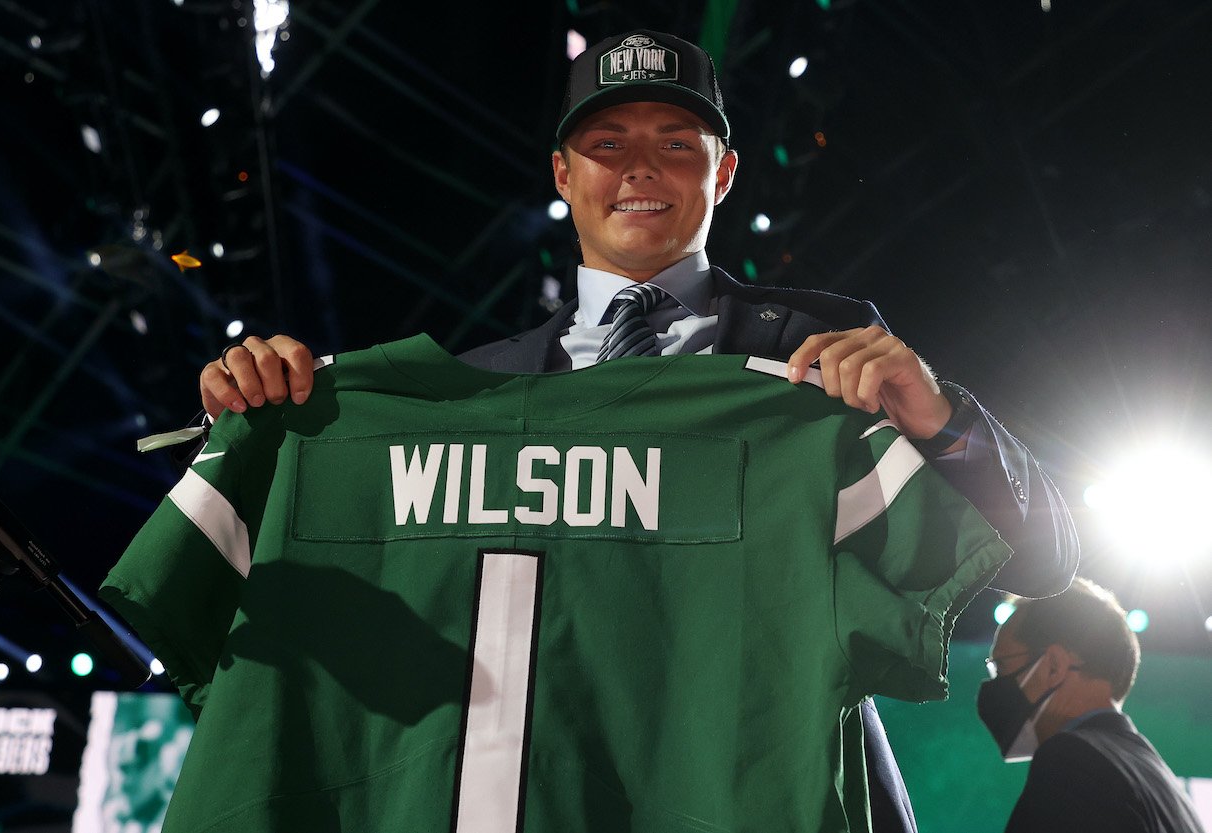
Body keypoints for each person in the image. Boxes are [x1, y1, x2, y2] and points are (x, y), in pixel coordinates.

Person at [190, 29, 1079, 832]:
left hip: (752, 793)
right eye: (607, 144)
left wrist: (940, 416)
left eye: (676, 146)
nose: (639, 170)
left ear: (723, 174)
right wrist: (261, 425)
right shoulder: (469, 391)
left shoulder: (827, 354)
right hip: (541, 796)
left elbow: (1043, 561)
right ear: (562, 175)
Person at [979, 578, 1206, 832]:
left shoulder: (1072, 761)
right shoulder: (1162, 780)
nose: (996, 684)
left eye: (1002, 667)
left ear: (1054, 666)